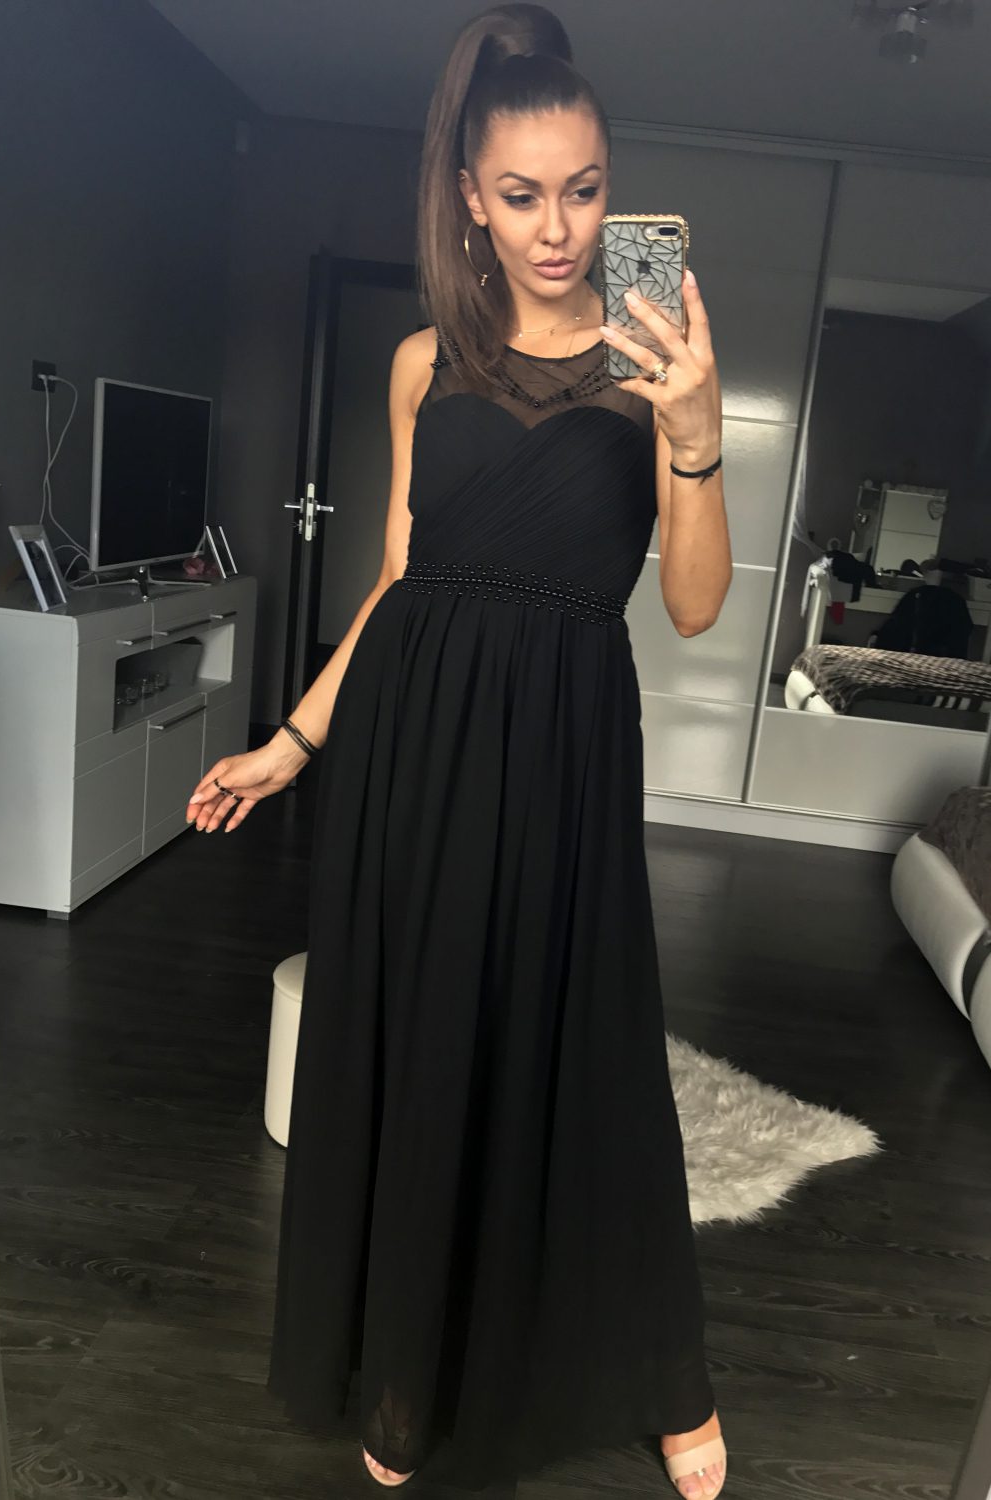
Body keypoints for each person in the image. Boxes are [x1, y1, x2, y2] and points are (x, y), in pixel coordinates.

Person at [186, 5, 731, 1495]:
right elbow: (397, 583)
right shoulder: (423, 363)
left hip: (564, 752)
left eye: (587, 190)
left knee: (589, 1055)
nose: (559, 229)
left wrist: (696, 432)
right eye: (522, 194)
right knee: (423, 1051)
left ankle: (667, 1380)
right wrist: (297, 739)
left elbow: (692, 605)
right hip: (416, 757)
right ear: (471, 201)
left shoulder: (656, 357)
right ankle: (407, 1375)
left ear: (613, 192)